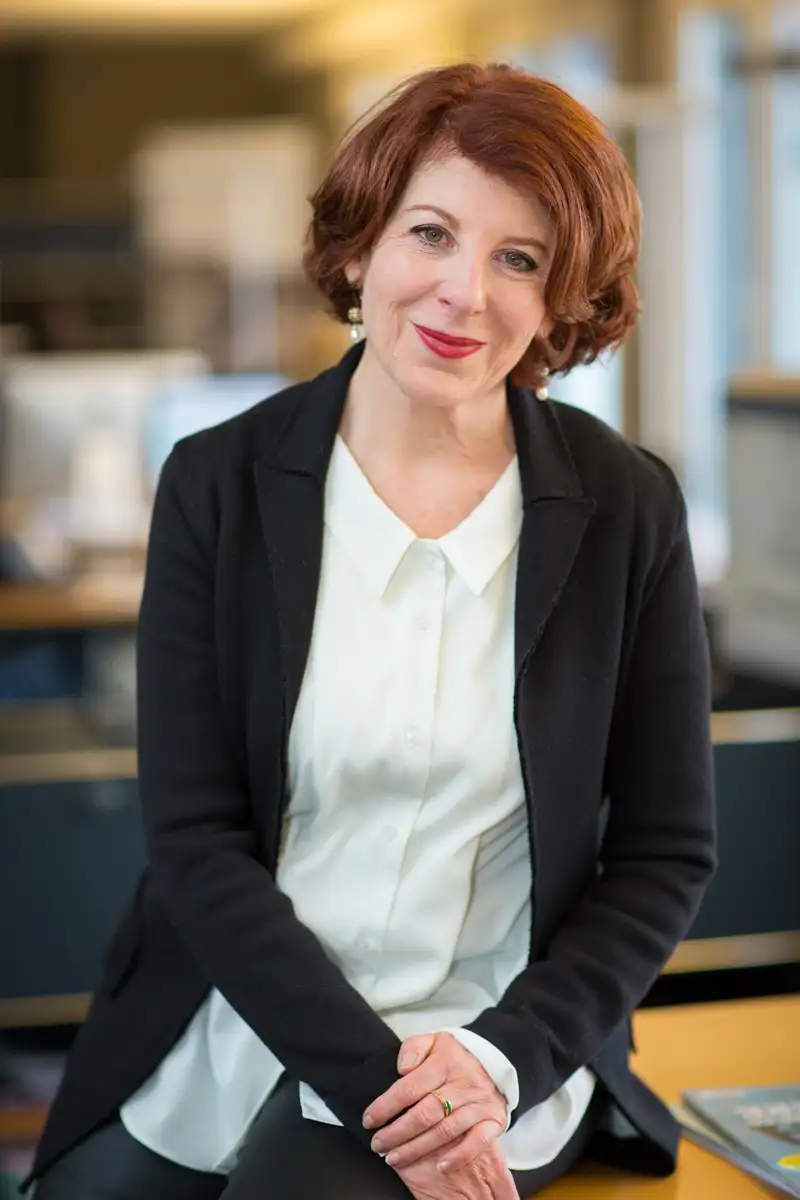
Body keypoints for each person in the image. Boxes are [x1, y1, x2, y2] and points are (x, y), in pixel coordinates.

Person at [26, 62, 716, 1200]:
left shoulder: (625, 505)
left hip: (497, 1049)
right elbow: (195, 843)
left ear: (560, 298)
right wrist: (381, 1081)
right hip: (238, 1017)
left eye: (519, 259)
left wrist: (488, 1071)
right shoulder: (218, 482)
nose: (465, 293)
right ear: (359, 246)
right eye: (431, 234)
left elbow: (661, 856)